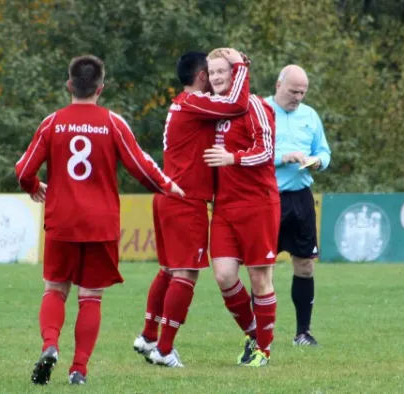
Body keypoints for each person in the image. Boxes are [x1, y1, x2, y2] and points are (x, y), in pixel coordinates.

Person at [15, 55, 184, 385]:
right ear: (100, 88)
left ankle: (50, 345)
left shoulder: (52, 123)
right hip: (100, 223)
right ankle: (79, 369)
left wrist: (34, 187)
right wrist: (167, 185)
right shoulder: (112, 123)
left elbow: (23, 170)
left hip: (62, 222)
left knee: (55, 290)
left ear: (69, 85)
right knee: (90, 296)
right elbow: (140, 164)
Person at [133, 48, 251, 368]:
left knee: (169, 271)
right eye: (210, 73)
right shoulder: (194, 102)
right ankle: (165, 349)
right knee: (186, 274)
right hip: (186, 199)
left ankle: (147, 336)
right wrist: (240, 67)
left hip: (169, 194)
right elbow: (237, 104)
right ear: (201, 76)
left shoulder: (182, 104)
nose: (214, 78)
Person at [202, 48, 279, 367]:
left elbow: (267, 151)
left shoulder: (255, 105)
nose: (217, 77)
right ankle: (253, 333)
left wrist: (232, 158)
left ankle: (264, 349)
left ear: (237, 74)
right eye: (213, 72)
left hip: (258, 204)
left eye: (223, 71)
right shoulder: (212, 109)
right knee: (223, 275)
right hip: (224, 206)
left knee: (260, 280)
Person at [265, 64, 331, 346]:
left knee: (305, 265)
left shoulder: (310, 116)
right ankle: (259, 334)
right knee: (261, 268)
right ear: (279, 85)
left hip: (301, 198)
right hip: (268, 198)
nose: (297, 98)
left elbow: (324, 152)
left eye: (302, 93)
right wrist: (284, 157)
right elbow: (251, 152)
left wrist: (318, 162)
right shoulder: (260, 111)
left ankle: (302, 333)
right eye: (293, 91)